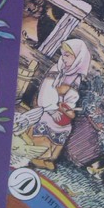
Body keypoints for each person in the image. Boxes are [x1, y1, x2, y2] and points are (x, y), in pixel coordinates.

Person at [28, 38, 91, 170]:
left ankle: (50, 158)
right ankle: (37, 154)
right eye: (63, 55)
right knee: (48, 121)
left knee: (66, 127)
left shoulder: (76, 76)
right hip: (46, 105)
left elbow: (72, 96)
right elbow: (46, 89)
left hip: (60, 108)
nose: (64, 58)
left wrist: (68, 108)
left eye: (67, 55)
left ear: (78, 58)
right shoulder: (57, 68)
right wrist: (52, 109)